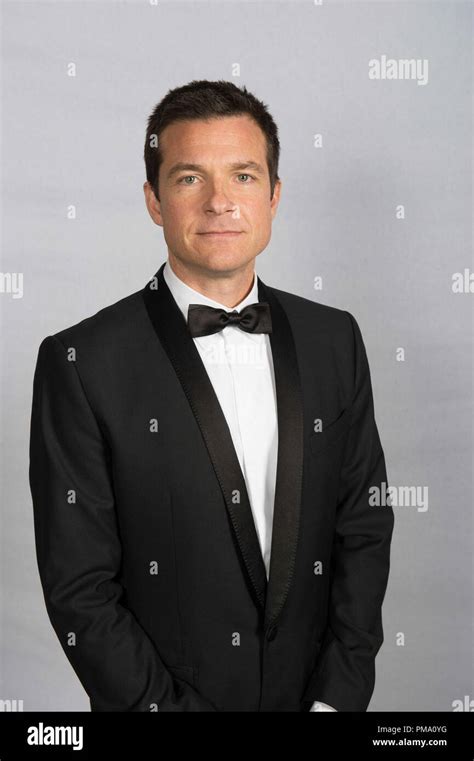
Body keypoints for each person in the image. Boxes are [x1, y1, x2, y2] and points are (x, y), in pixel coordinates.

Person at [29, 79, 394, 712]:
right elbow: (79, 590)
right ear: (153, 200)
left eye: (245, 177)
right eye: (190, 178)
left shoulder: (336, 338)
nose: (220, 202)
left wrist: (337, 700)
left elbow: (363, 526)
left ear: (275, 196)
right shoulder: (80, 361)